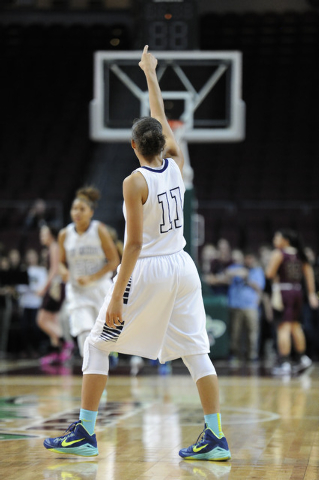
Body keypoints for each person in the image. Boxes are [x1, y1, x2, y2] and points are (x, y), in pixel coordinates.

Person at [43, 45, 231, 462]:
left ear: (132, 146)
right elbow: (160, 116)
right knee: (197, 353)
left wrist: (115, 294)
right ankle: (216, 436)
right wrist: (151, 75)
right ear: (163, 142)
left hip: (148, 270)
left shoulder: (134, 182)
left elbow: (134, 244)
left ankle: (85, 432)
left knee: (96, 344)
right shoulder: (177, 165)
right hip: (184, 267)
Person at [58, 186, 120, 358]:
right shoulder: (64, 234)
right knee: (84, 332)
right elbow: (61, 263)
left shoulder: (99, 230)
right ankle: (92, 371)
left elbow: (114, 261)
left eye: (82, 209)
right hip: (77, 291)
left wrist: (92, 277)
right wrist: (63, 271)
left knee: (103, 334)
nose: (77, 212)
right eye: (74, 209)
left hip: (99, 287)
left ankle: (109, 354)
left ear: (91, 212)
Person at [266, 229, 318, 375]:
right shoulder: (301, 254)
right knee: (295, 326)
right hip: (298, 292)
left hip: (283, 292)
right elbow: (309, 276)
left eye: (277, 237)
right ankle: (303, 358)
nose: (275, 240)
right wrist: (312, 294)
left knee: (283, 327)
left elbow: (269, 273)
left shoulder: (279, 254)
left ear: (286, 240)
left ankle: (285, 363)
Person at [36, 224, 68, 365]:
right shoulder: (51, 248)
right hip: (58, 286)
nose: (41, 236)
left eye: (44, 234)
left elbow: (55, 270)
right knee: (53, 319)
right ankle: (57, 352)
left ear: (51, 235)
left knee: (41, 319)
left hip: (56, 286)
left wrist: (44, 288)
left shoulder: (54, 246)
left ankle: (64, 342)